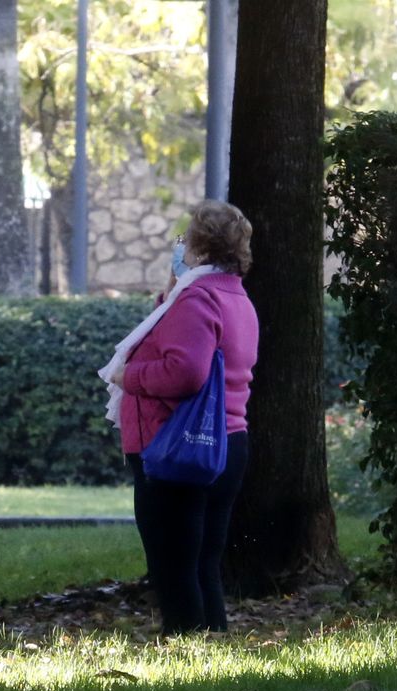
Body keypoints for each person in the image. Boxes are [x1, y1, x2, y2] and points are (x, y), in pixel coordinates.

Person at [100, 199, 259, 634]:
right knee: (202, 563)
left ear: (201, 248)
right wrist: (172, 291)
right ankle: (210, 650)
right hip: (226, 441)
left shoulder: (197, 299)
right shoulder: (231, 295)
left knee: (173, 564)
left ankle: (184, 656)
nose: (180, 245)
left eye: (184, 238)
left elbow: (185, 372)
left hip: (175, 445)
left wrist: (128, 375)